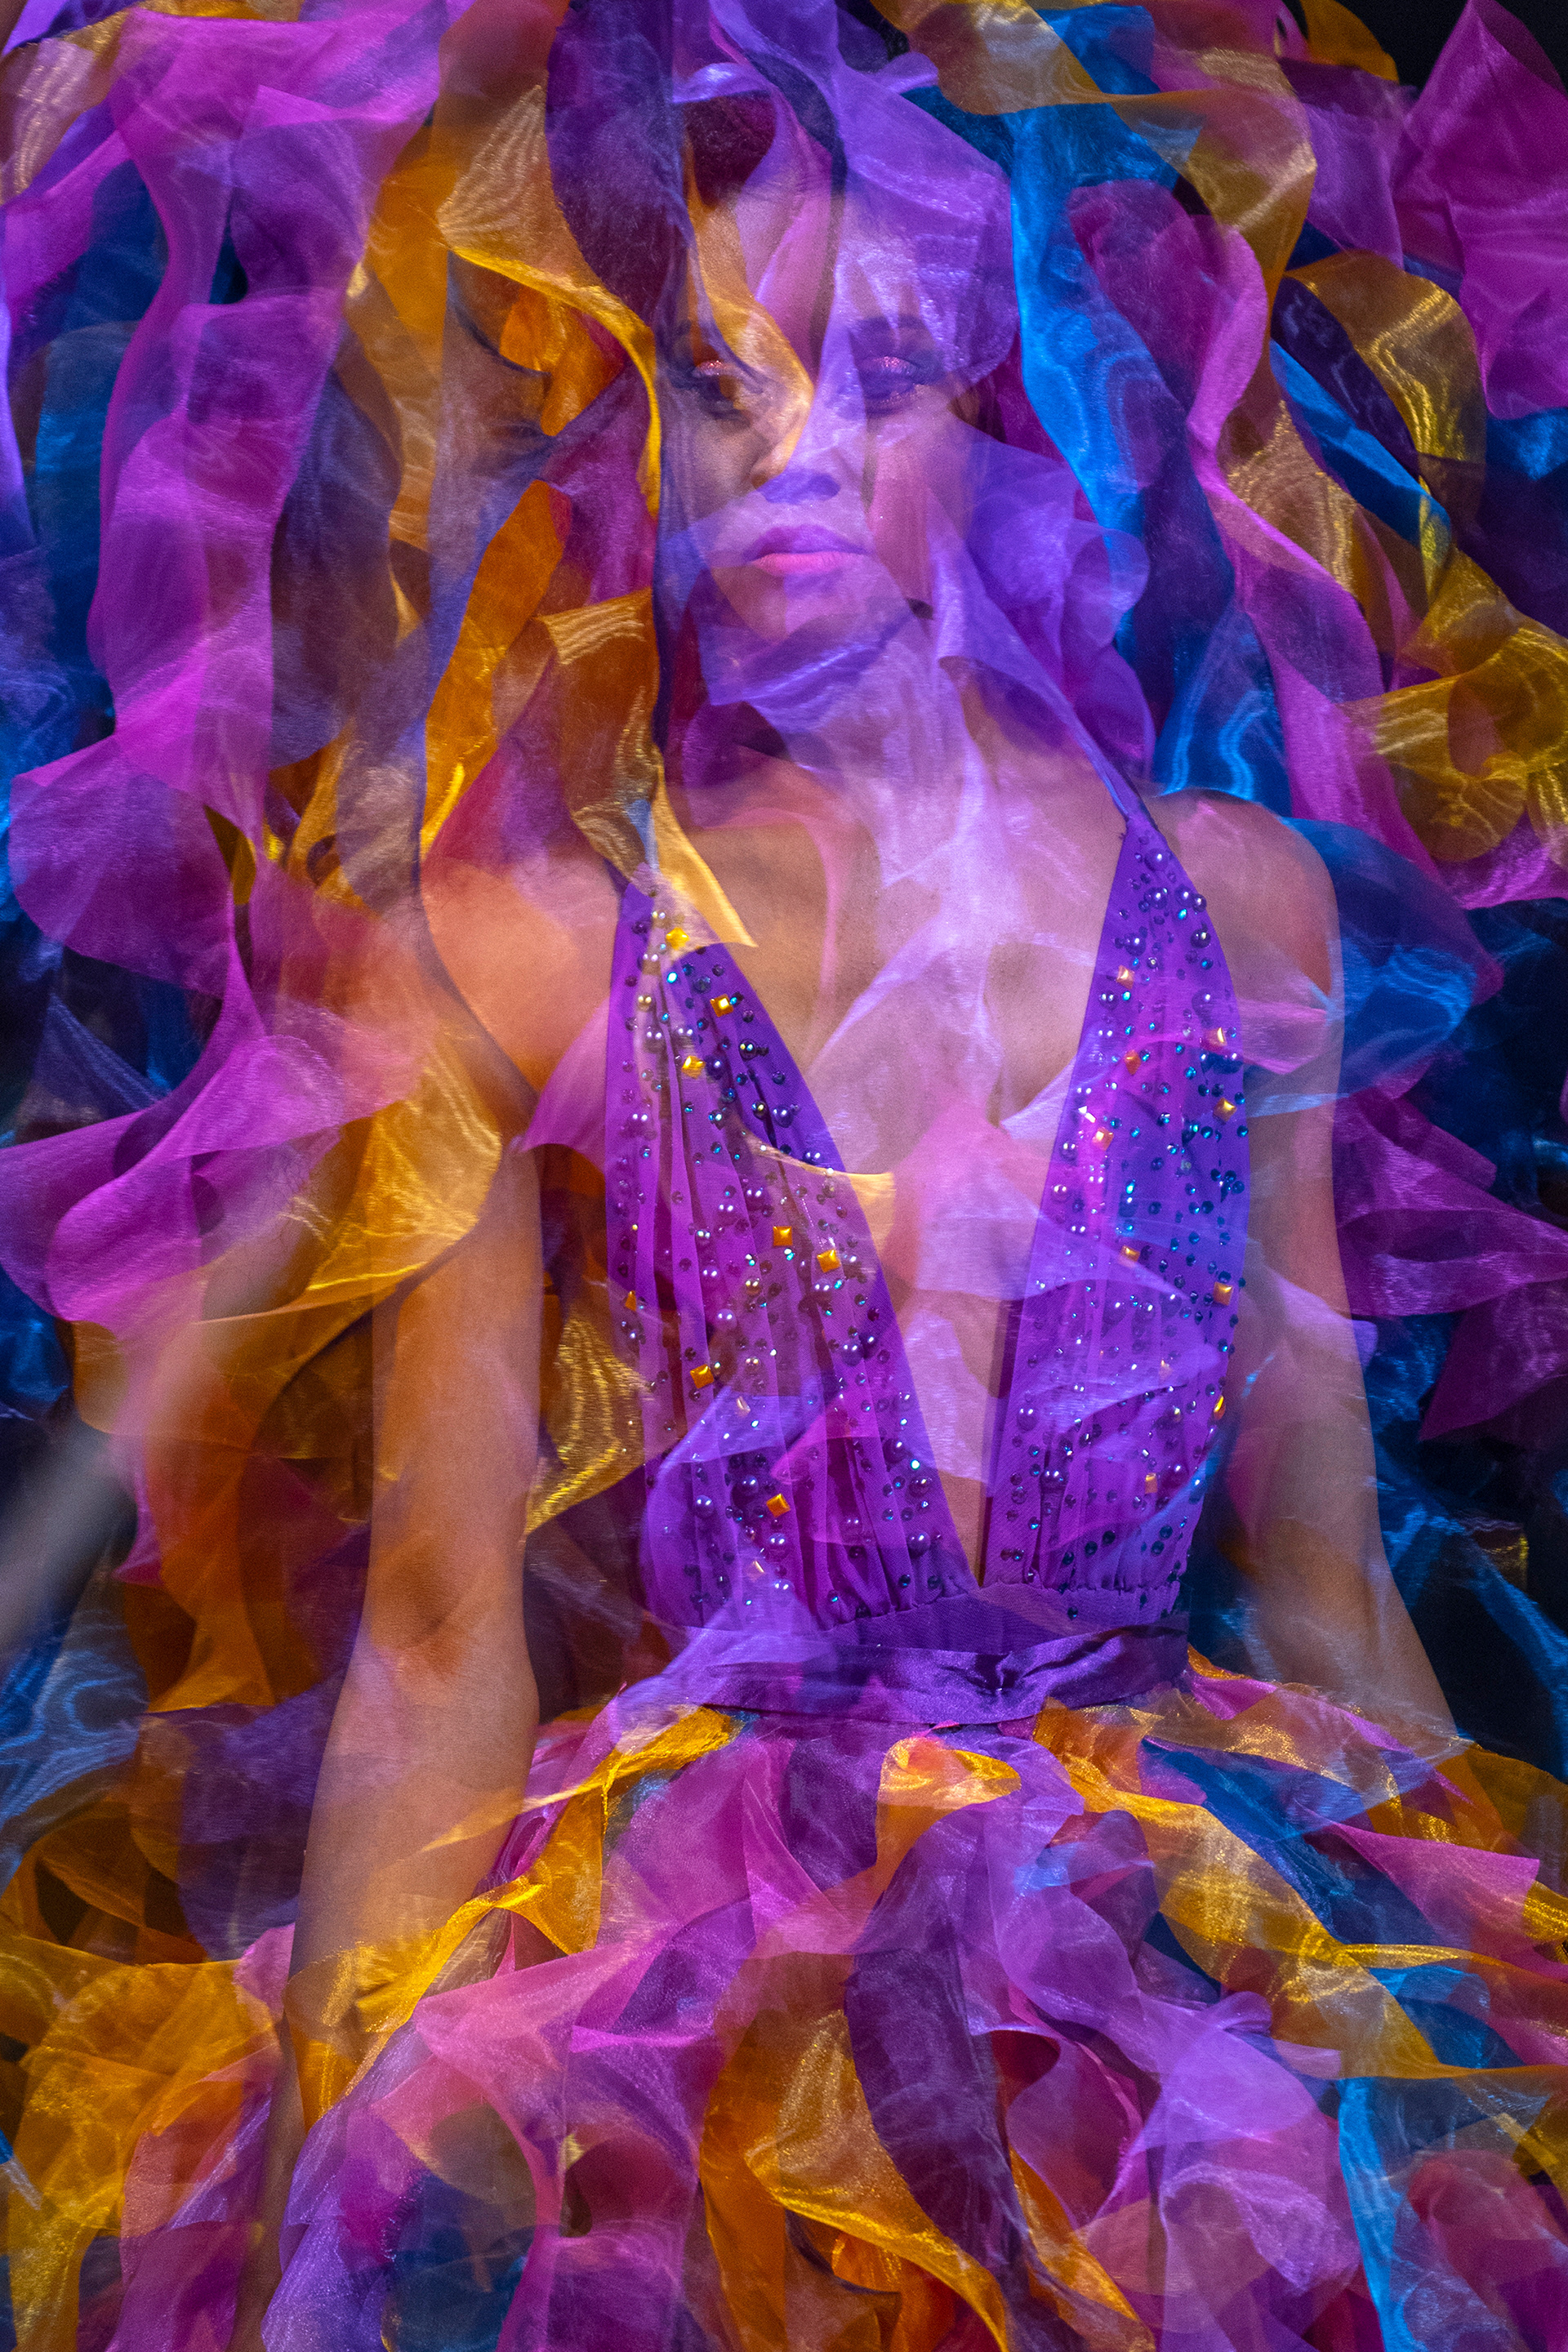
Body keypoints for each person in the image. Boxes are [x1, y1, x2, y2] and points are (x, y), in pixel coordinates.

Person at [1, 2, 1566, 2348]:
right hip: (713, 1994)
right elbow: (438, 1627)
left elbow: (1326, 1583)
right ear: (632, 435)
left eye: (872, 376)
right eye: (714, 387)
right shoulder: (528, 951)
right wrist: (326, 2215)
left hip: (1168, 1977)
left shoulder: (1238, 912)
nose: (790, 456)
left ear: (998, 407)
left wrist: (1470, 2033)